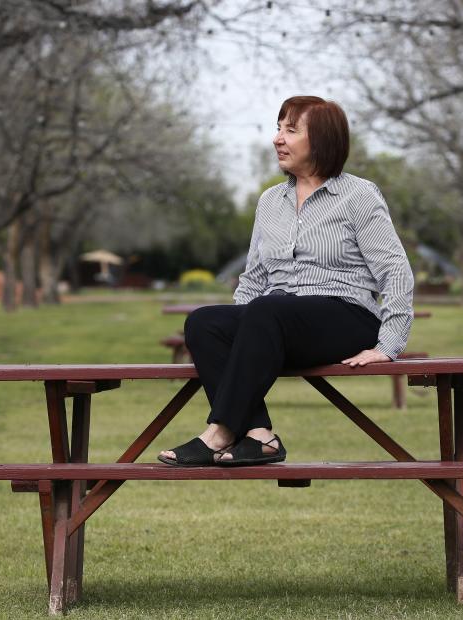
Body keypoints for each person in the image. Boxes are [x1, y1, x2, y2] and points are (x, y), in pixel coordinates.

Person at [158, 95, 414, 467]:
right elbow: (256, 275)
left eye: (291, 130)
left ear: (322, 141)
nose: (278, 138)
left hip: (345, 316)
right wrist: (241, 331)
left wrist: (389, 344)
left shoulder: (358, 196)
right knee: (204, 322)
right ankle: (260, 435)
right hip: (277, 320)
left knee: (268, 307)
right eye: (278, 128)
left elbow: (395, 270)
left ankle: (218, 432)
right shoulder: (270, 202)